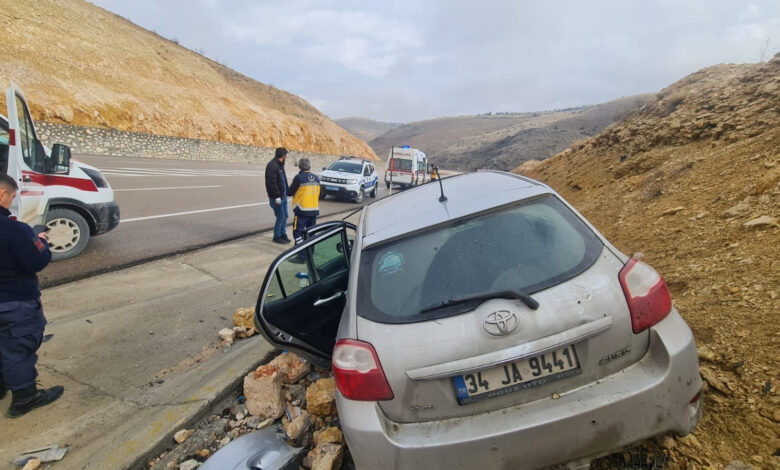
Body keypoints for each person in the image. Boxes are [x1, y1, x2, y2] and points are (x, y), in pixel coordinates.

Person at [0, 173, 64, 418]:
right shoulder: (14, 230)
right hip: (13, 303)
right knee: (18, 349)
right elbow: (35, 260)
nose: (11, 201)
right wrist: (41, 242)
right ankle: (24, 398)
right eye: (12, 196)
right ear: (2, 194)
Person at [288, 158, 321, 245]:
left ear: (299, 166)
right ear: (310, 166)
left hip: (302, 211)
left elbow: (290, 192)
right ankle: (310, 252)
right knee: (311, 233)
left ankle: (301, 253)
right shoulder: (317, 178)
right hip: (314, 210)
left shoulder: (299, 178)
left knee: (297, 232)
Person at [265, 147, 290, 244]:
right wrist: (277, 197)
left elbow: (283, 180)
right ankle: (277, 236)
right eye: (286, 155)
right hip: (277, 197)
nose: (286, 157)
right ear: (283, 156)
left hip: (282, 196)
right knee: (281, 216)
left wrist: (287, 190)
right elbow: (272, 183)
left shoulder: (280, 165)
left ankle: (283, 233)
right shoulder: (272, 166)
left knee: (285, 215)